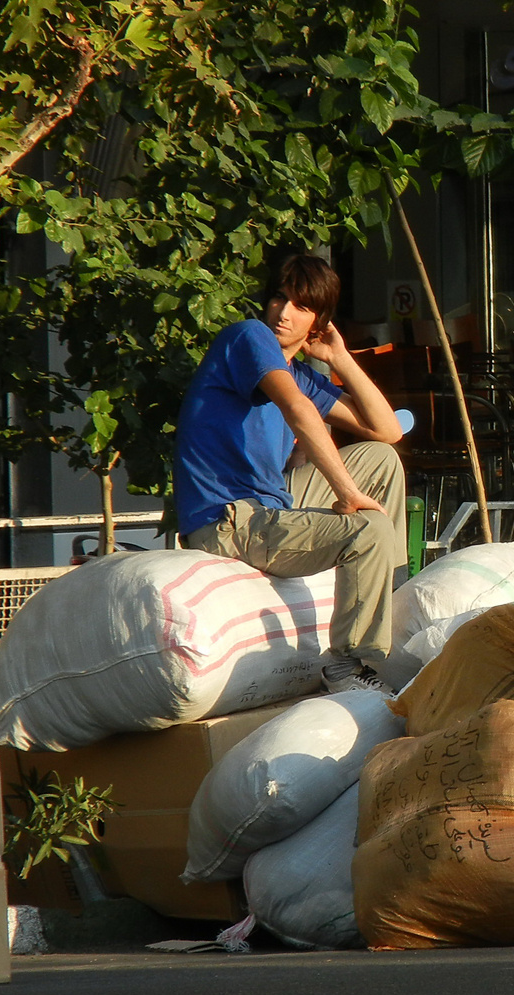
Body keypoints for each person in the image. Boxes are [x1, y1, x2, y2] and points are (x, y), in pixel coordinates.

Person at [173, 254, 407, 693]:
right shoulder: (248, 336)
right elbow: (297, 410)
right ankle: (346, 664)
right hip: (228, 519)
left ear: (319, 321)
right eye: (280, 298)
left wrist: (341, 357)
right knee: (369, 528)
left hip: (272, 505)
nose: (284, 312)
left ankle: (391, 598)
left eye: (301, 306)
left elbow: (387, 430)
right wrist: (347, 493)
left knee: (380, 456)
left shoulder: (299, 372)